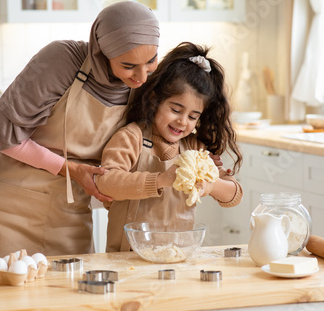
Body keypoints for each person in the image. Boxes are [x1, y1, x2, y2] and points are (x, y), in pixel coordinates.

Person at [0, 1, 160, 258]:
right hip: (12, 210)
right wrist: (71, 169)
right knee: (7, 292)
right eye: (128, 66)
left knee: (72, 295)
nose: (142, 77)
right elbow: (6, 137)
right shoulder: (61, 60)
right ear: (102, 52)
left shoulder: (139, 84)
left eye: (151, 61)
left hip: (72, 211)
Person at [95, 42, 243, 252]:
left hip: (178, 255)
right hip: (128, 256)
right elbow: (105, 182)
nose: (183, 121)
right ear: (156, 100)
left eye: (193, 116)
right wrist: (161, 180)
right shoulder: (131, 137)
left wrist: (211, 186)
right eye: (176, 109)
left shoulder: (194, 147)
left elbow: (234, 195)